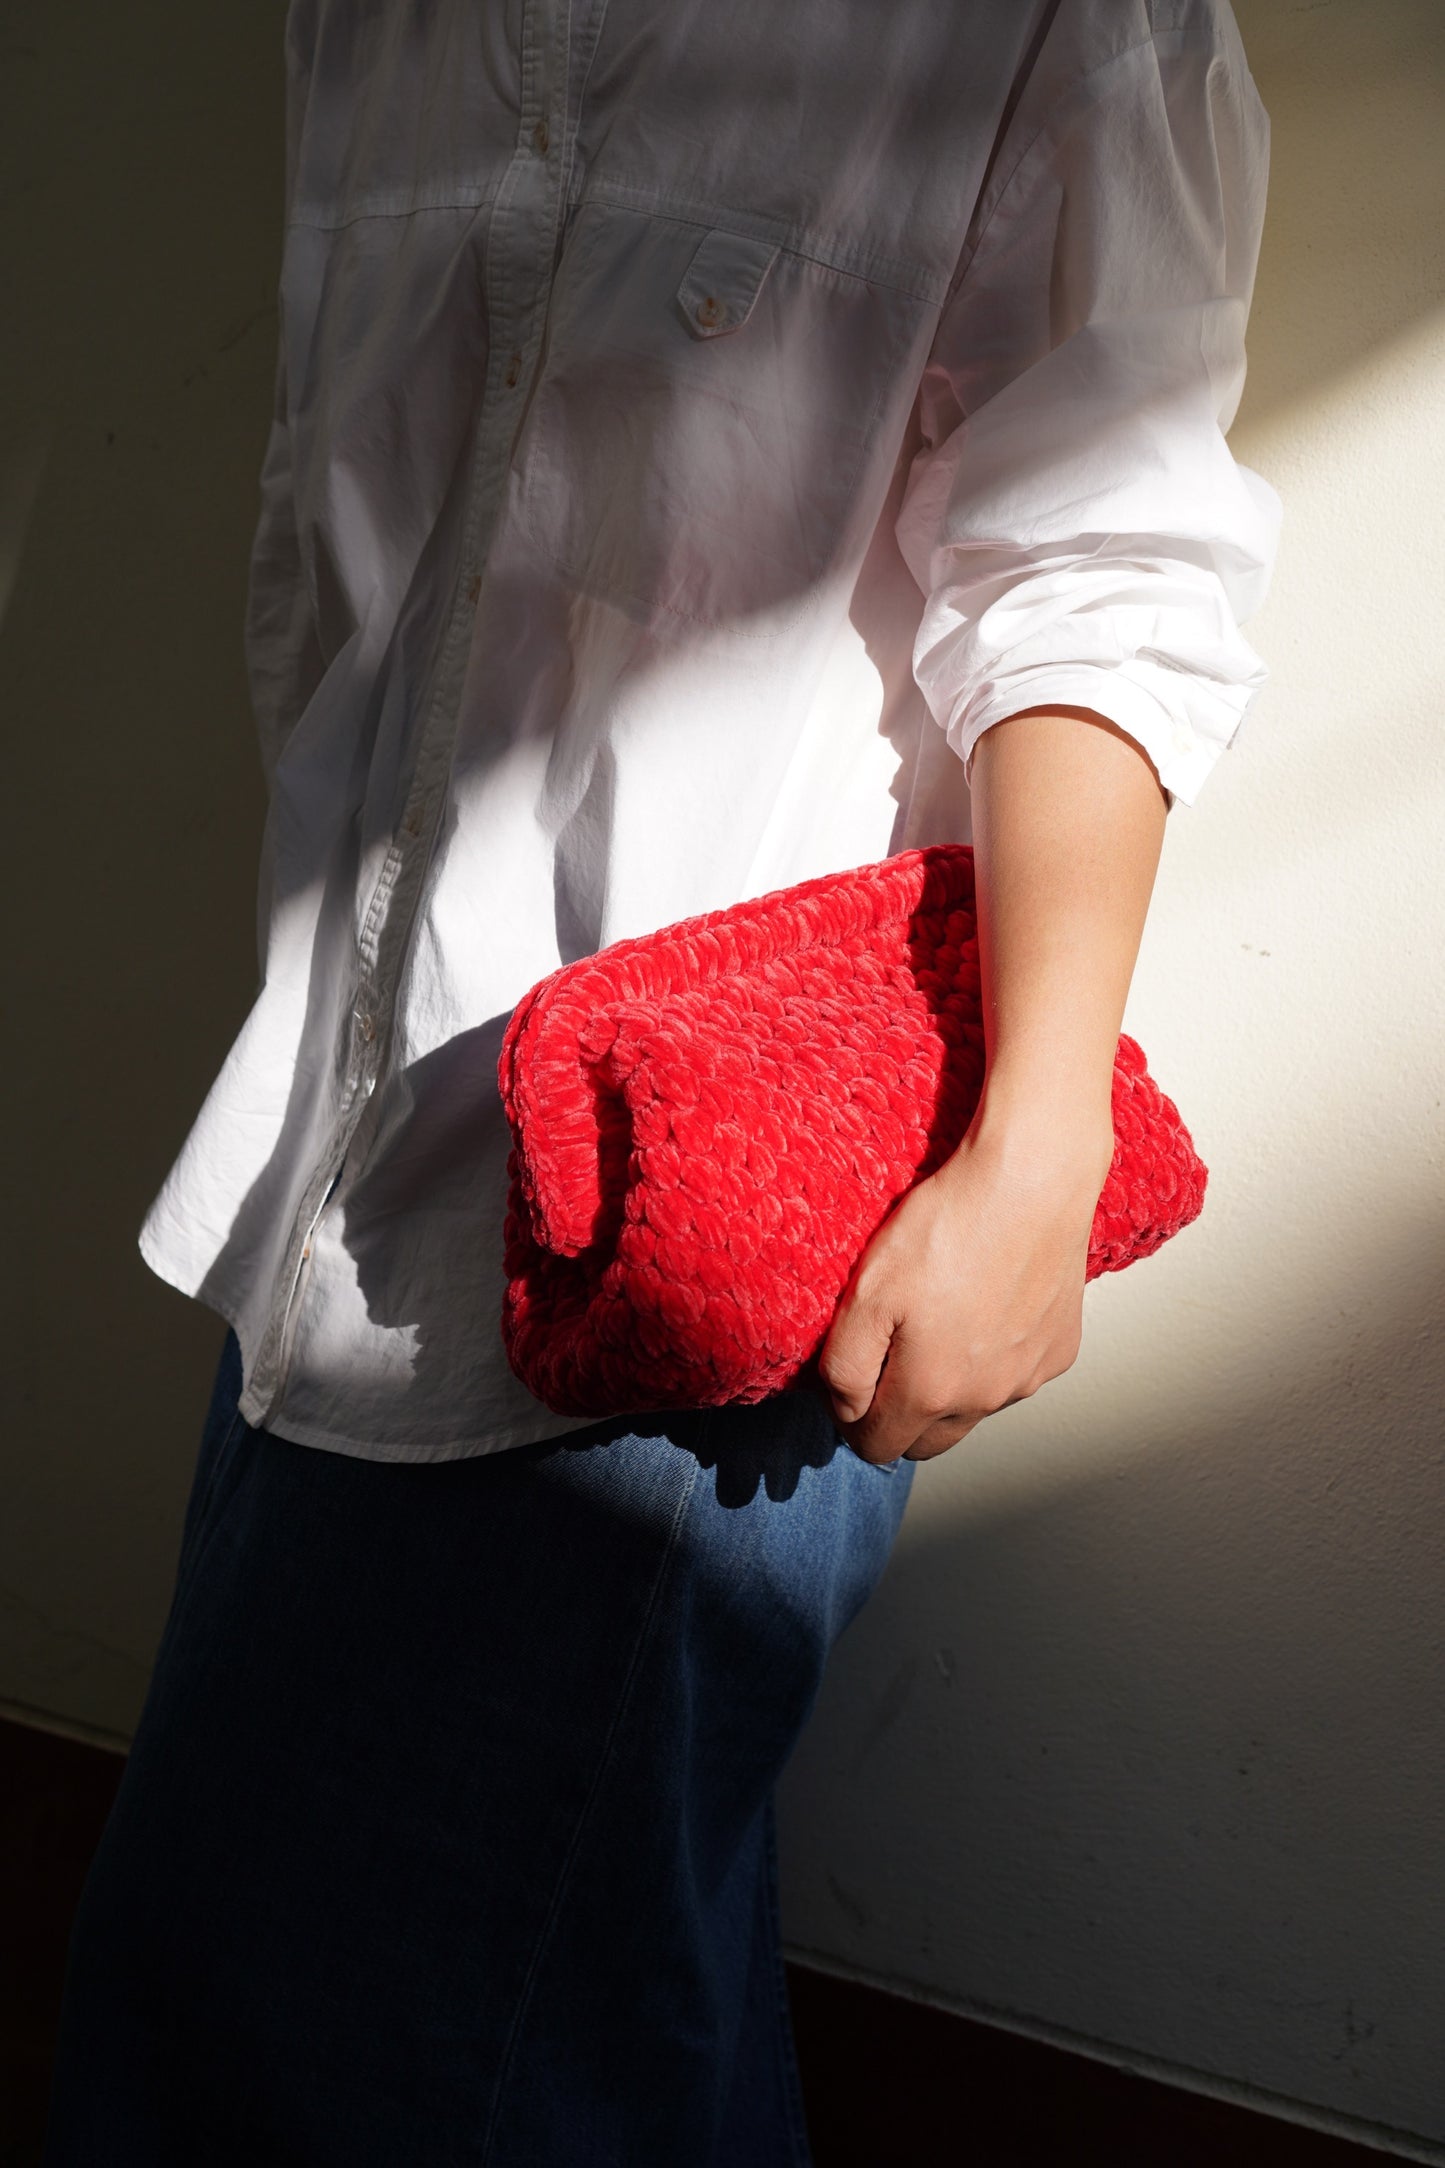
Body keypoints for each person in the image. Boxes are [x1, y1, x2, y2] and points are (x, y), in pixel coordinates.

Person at [46, 0, 1280, 2160]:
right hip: (326, 1173)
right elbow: (335, 564)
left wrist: (1036, 1153)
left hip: (695, 1253)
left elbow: (1103, 569)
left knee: (338, 2045)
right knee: (527, 2020)